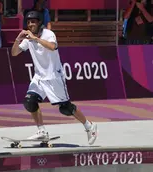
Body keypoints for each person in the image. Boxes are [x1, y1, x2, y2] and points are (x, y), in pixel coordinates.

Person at [11, 11, 98, 145]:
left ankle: (89, 126)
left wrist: (35, 39)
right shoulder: (28, 39)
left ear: (39, 22)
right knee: (29, 101)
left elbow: (52, 47)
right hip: (39, 77)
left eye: (33, 22)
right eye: (28, 22)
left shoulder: (48, 34)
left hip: (54, 76)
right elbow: (14, 53)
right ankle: (42, 131)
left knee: (66, 108)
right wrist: (18, 39)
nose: (30, 24)